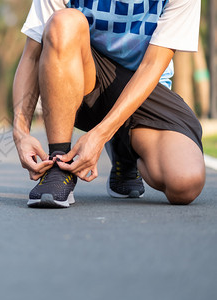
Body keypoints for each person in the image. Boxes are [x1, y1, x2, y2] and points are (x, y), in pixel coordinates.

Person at [12, 0, 206, 208]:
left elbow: (151, 66)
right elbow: (32, 55)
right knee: (64, 22)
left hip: (143, 88)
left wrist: (100, 135)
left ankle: (125, 150)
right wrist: (20, 132)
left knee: (185, 183)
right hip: (85, 82)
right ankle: (59, 163)